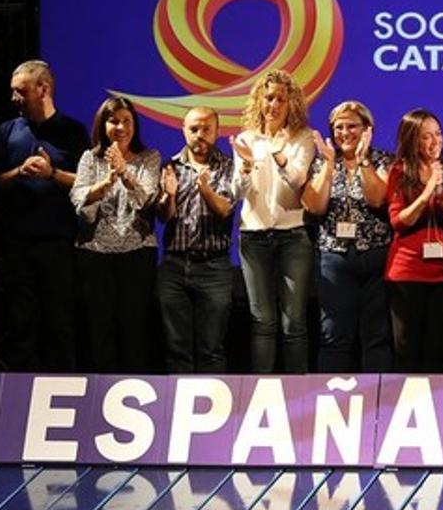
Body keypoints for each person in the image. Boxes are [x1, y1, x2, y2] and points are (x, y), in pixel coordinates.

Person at [0, 60, 89, 371]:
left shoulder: (72, 132)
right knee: (20, 323)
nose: (14, 98)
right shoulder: (8, 130)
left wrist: (52, 173)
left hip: (58, 242)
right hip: (17, 242)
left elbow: (86, 182)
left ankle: (63, 392)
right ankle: (22, 398)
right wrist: (19, 171)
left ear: (43, 89)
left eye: (20, 91)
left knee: (59, 322)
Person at [70, 97, 165, 372]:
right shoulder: (90, 158)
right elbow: (78, 198)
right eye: (114, 121)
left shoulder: (149, 158)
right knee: (99, 328)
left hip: (136, 253)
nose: (120, 127)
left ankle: (133, 389)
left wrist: (125, 174)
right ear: (103, 124)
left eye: (126, 121)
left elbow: (147, 199)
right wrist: (106, 182)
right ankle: (101, 392)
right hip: (95, 252)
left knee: (134, 327)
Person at [231, 69, 316, 372]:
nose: (275, 104)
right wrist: (245, 167)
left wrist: (279, 155)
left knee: (293, 321)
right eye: (269, 98)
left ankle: (299, 392)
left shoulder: (303, 138)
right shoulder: (245, 139)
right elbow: (236, 192)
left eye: (282, 98)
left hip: (292, 235)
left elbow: (297, 181)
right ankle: (261, 391)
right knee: (262, 321)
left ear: (291, 102)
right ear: (259, 101)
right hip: (253, 237)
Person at [304, 101, 394, 372]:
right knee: (333, 334)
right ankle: (334, 402)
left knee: (376, 335)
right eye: (338, 127)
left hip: (375, 255)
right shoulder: (321, 162)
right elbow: (315, 206)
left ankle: (379, 404)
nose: (344, 132)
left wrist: (363, 160)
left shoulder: (382, 160)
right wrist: (329, 167)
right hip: (334, 257)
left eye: (352, 126)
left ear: (367, 129)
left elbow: (378, 199)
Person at [384, 108, 443, 372]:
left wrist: (441, 194)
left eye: (438, 134)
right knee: (407, 349)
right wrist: (426, 193)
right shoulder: (398, 172)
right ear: (412, 140)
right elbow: (399, 221)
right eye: (426, 137)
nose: (435, 142)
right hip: (407, 275)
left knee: (437, 348)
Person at [158, 107, 238, 373]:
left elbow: (225, 209)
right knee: (176, 347)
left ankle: (212, 410)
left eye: (206, 129)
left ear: (217, 132)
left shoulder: (228, 165)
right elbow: (164, 217)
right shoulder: (170, 166)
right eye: (194, 129)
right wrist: (168, 196)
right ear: (184, 131)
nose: (200, 135)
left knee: (211, 348)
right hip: (174, 264)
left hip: (214, 266)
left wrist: (205, 188)